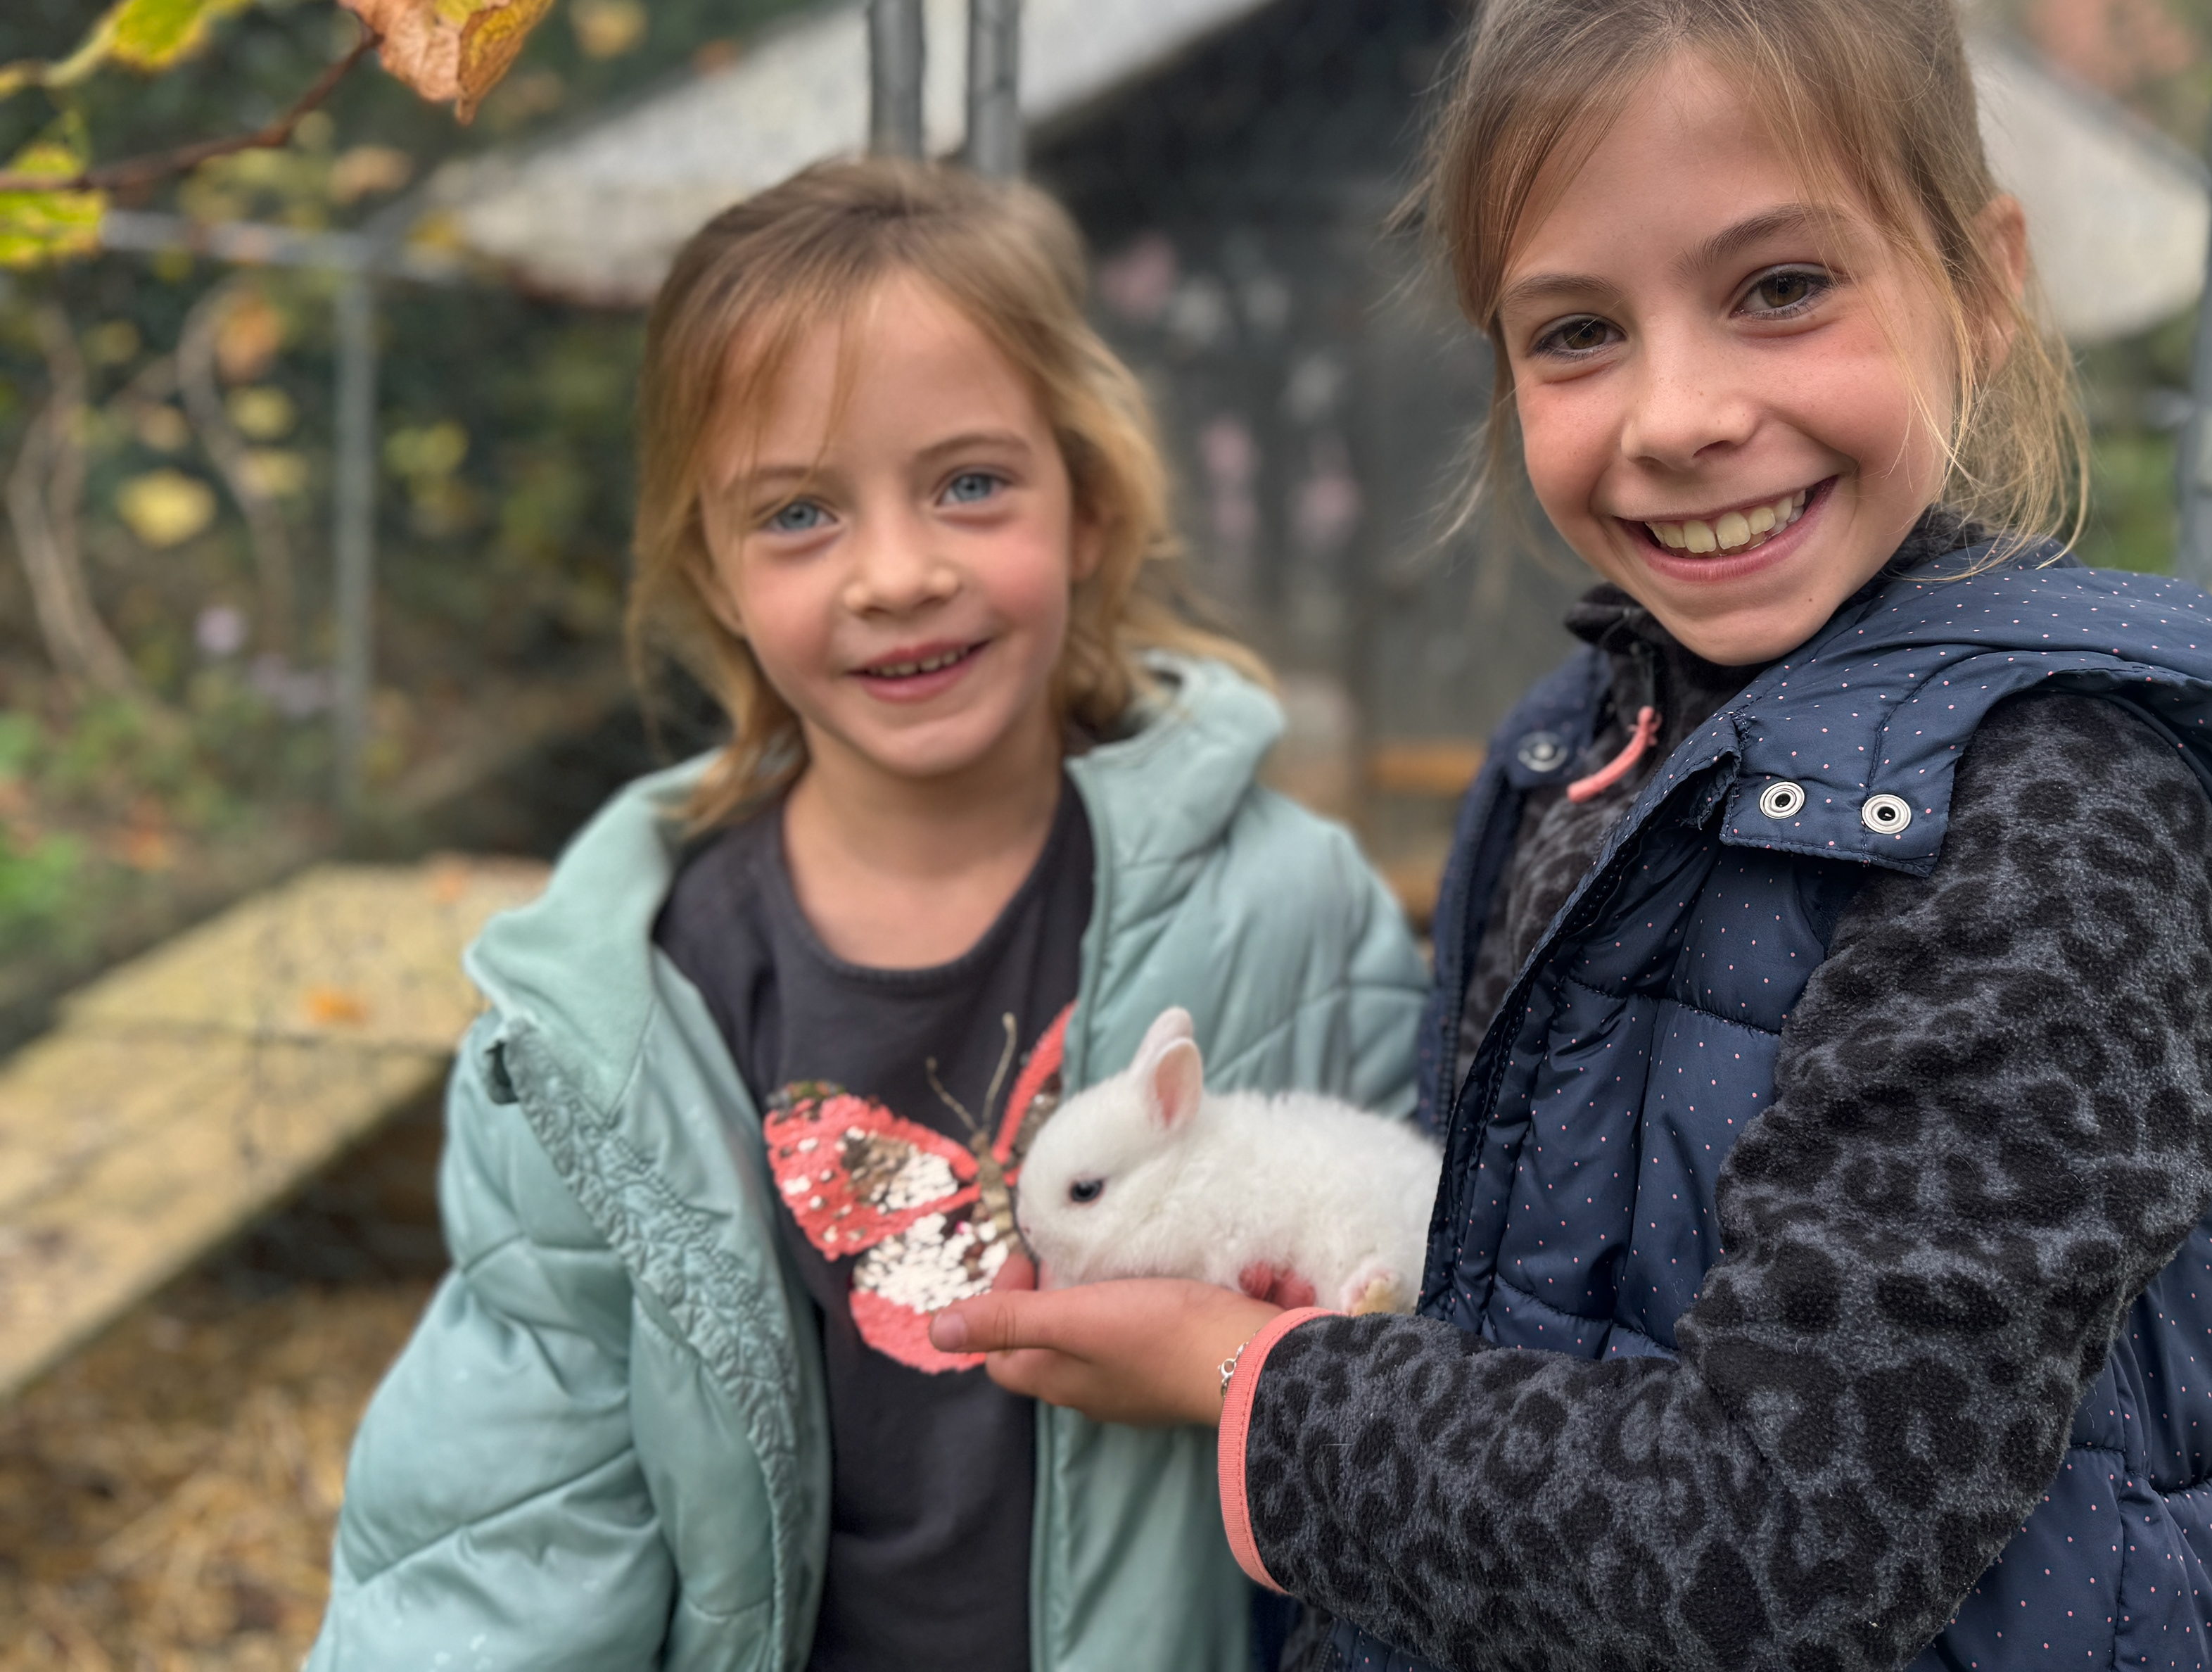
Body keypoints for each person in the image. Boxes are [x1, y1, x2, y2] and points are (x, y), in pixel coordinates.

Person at [927, 0, 2212, 1672]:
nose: (1676, 413)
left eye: (1779, 289)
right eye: (1576, 331)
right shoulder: (1578, 753)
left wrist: (1248, 1385)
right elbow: (1508, 1308)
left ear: (1981, 285)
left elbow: (1774, 1553)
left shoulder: (2060, 825)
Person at [307, 160, 1428, 1672]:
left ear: (1088, 509)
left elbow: (1423, 1365)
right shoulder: (618, 1008)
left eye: (970, 483)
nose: (898, 575)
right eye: (799, 514)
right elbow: (515, 1514)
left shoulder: (1291, 921)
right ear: (712, 570)